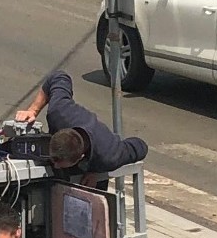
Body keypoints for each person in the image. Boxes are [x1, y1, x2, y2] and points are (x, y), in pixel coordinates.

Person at [16, 69, 148, 187]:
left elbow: (141, 146)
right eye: (53, 158)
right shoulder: (59, 112)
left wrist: (97, 170)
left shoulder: (109, 154)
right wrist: (33, 110)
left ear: (80, 158)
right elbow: (58, 77)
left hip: (94, 169)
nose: (54, 164)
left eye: (57, 161)